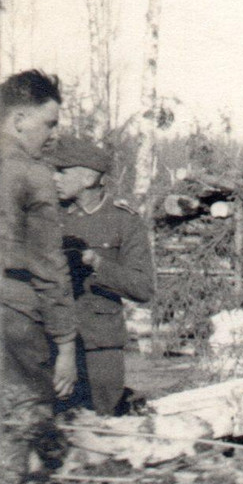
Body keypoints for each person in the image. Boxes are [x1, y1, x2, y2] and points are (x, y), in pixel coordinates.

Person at [0, 69, 78, 484]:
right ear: (21, 119)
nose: (52, 136)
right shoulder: (32, 173)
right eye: (48, 124)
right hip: (16, 320)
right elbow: (49, 266)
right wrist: (66, 345)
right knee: (18, 443)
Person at [52, 136, 156, 416]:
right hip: (55, 340)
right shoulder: (52, 218)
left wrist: (98, 264)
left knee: (101, 426)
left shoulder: (124, 221)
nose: (55, 178)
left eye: (62, 171)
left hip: (101, 348)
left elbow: (143, 288)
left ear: (87, 178)